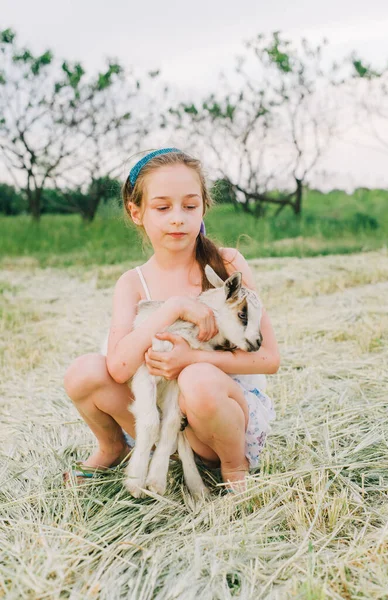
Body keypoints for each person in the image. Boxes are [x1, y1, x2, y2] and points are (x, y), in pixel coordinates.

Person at [63, 148, 280, 493]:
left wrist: (193, 359)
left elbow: (269, 358)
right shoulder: (133, 283)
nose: (178, 218)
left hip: (214, 421)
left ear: (203, 208)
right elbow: (118, 368)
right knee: (84, 371)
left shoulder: (228, 265)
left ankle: (234, 465)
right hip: (160, 417)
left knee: (197, 379)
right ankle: (113, 447)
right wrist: (174, 307)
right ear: (136, 212)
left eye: (190, 206)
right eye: (163, 208)